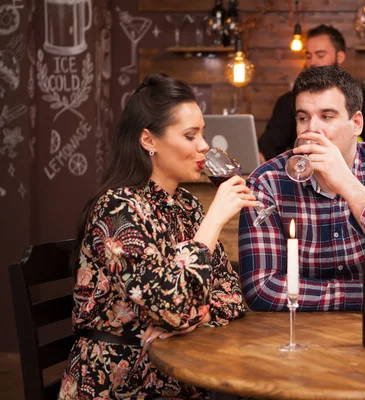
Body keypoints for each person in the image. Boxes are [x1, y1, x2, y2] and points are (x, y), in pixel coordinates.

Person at [59, 73, 257, 399]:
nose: (204, 146)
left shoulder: (186, 205)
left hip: (177, 375)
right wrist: (214, 221)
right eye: (190, 136)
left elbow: (232, 300)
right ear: (149, 140)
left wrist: (193, 318)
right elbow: (176, 306)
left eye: (202, 134)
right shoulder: (116, 211)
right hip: (117, 380)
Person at [239, 66, 365, 311]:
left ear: (356, 123)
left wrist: (349, 186)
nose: (312, 129)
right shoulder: (266, 181)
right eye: (303, 118)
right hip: (301, 333)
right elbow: (261, 288)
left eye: (327, 116)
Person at [258, 24, 365, 161]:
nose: (312, 62)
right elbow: (267, 147)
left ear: (340, 57)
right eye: (308, 56)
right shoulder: (288, 101)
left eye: (320, 55)